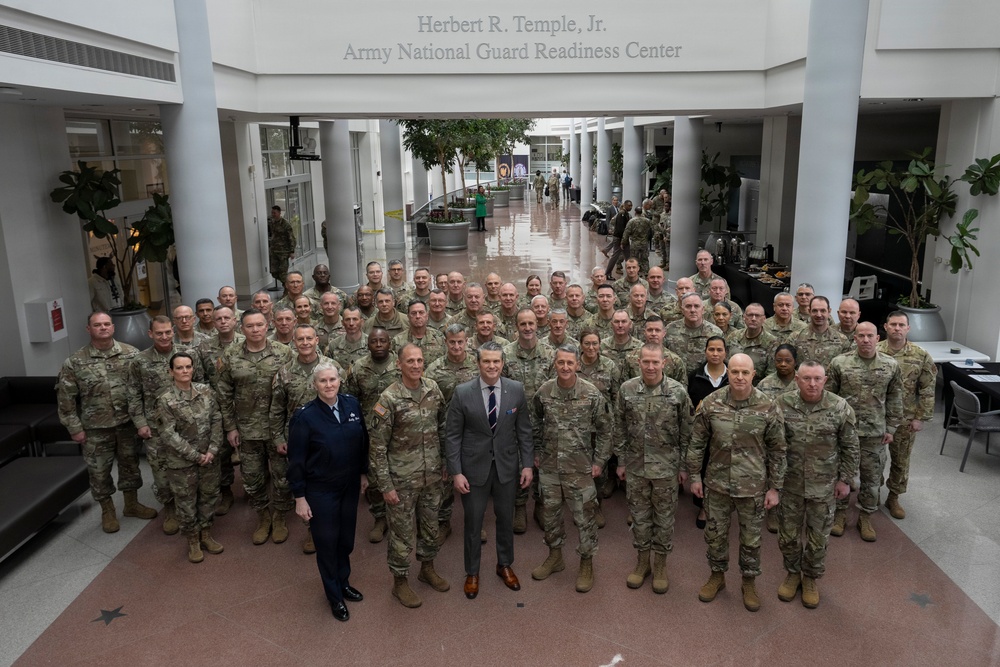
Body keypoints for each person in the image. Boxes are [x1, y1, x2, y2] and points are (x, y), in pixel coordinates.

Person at [687, 354, 786, 612]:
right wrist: (695, 476)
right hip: (717, 485)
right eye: (735, 372)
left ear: (754, 375)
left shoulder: (768, 406)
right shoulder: (711, 403)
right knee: (715, 535)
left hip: (752, 487)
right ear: (727, 373)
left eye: (745, 372)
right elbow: (697, 443)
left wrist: (775, 488)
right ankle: (717, 576)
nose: (739, 377)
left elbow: (778, 450)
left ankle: (749, 581)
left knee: (751, 538)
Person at [445, 341, 534, 600]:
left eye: (496, 361)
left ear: (503, 363)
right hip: (473, 470)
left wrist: (527, 464)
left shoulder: (516, 390)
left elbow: (524, 431)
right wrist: (456, 472)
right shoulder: (462, 393)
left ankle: (504, 565)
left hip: (507, 467)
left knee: (506, 519)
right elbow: (452, 435)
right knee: (473, 522)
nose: (492, 366)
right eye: (487, 361)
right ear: (478, 363)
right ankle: (472, 572)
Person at [57, 312, 157, 532]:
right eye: (97, 325)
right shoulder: (75, 362)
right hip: (95, 428)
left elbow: (143, 388)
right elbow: (66, 399)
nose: (102, 328)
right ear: (88, 329)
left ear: (113, 327)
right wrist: (74, 428)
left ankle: (131, 504)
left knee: (130, 465)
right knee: (99, 471)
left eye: (106, 324)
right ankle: (107, 510)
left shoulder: (131, 354)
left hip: (127, 424)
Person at [369, 344, 449, 608]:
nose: (416, 365)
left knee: (430, 527)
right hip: (401, 480)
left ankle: (427, 568)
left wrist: (446, 462)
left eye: (420, 360)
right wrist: (385, 485)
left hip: (431, 476)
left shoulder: (433, 389)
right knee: (402, 534)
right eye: (410, 361)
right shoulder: (389, 399)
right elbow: (377, 447)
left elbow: (443, 427)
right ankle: (400, 582)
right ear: (398, 365)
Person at [288, 363, 369, 622]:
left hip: (349, 485)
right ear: (315, 385)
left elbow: (363, 441)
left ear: (340, 381)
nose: (328, 385)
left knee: (345, 540)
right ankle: (334, 596)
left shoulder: (352, 405)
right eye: (322, 381)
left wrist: (363, 473)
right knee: (326, 542)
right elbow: (296, 460)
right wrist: (300, 497)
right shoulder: (304, 417)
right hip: (321, 490)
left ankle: (344, 582)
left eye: (332, 379)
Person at [775, 361, 859, 608]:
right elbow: (772, 444)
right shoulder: (782, 404)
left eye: (818, 379)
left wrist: (845, 480)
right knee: (788, 535)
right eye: (807, 378)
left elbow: (851, 446)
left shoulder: (839, 406)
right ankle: (792, 573)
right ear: (797, 380)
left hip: (823, 485)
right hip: (789, 484)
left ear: (825, 380)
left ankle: (810, 577)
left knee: (818, 537)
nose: (812, 384)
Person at [530, 345, 612, 593]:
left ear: (578, 365)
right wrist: (535, 451)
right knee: (551, 515)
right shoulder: (544, 392)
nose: (565, 367)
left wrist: (599, 461)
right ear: (554, 364)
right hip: (550, 467)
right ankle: (555, 556)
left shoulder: (591, 394)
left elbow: (607, 429)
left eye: (570, 363)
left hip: (580, 469)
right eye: (561, 362)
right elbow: (534, 421)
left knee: (585, 518)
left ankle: (586, 563)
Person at [615, 344, 693, 593]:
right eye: (646, 362)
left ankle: (660, 564)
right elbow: (619, 427)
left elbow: (687, 433)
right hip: (636, 467)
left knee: (664, 519)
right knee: (639, 518)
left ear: (664, 363)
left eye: (655, 362)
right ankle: (642, 562)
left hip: (666, 469)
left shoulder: (678, 392)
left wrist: (683, 467)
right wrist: (621, 461)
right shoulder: (627, 390)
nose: (650, 366)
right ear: (639, 362)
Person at [217, 309, 294, 545]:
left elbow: (293, 393)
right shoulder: (229, 356)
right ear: (241, 328)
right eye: (250, 326)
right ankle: (263, 516)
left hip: (277, 429)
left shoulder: (284, 353)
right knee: (252, 477)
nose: (255, 329)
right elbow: (223, 393)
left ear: (267, 325)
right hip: (247, 429)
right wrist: (230, 427)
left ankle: (279, 516)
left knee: (282, 476)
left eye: (260, 325)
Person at [826, 322, 903, 542]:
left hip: (874, 433)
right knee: (841, 474)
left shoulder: (890, 365)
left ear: (878, 338)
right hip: (845, 431)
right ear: (855, 338)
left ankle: (865, 517)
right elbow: (830, 397)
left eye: (870, 336)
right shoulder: (840, 363)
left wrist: (892, 427)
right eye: (861, 336)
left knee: (871, 478)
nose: (866, 340)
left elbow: (896, 397)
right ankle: (839, 514)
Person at [129, 316, 205, 536]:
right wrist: (140, 423)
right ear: (150, 334)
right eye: (158, 333)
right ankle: (170, 509)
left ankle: (196, 508)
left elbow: (201, 384)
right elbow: (133, 394)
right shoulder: (139, 361)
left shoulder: (188, 354)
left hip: (188, 424)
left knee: (192, 468)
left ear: (173, 332)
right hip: (156, 428)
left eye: (167, 332)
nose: (164, 336)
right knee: (162, 472)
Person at [270, 324, 340, 554]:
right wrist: (278, 436)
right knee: (302, 483)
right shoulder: (285, 372)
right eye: (300, 339)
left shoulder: (331, 367)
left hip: (329, 438)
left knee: (328, 483)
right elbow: (277, 408)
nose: (305, 342)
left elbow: (347, 399)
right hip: (300, 438)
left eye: (309, 338)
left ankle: (329, 526)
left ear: (317, 340)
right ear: (294, 341)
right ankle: (311, 529)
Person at [156, 352, 224, 564]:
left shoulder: (205, 391)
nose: (184, 371)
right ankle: (193, 540)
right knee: (186, 502)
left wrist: (213, 449)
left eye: (188, 367)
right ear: (171, 371)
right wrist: (195, 456)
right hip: (182, 462)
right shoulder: (165, 400)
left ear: (193, 368)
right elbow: (168, 434)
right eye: (179, 368)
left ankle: (206, 533)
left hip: (209, 457)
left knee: (209, 496)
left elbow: (216, 418)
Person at [877, 311, 936, 520]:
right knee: (874, 459)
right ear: (885, 327)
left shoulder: (920, 355)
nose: (897, 328)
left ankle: (893, 497)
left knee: (900, 460)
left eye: (901, 325)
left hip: (905, 418)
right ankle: (873, 492)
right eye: (893, 324)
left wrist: (920, 417)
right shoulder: (875, 351)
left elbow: (928, 388)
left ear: (908, 328)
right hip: (876, 417)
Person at [343, 327, 399, 543]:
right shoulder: (358, 368)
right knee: (375, 477)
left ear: (389, 343)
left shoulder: (401, 364)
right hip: (370, 431)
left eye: (382, 341)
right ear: (368, 344)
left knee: (400, 474)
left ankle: (400, 517)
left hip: (399, 429)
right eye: (374, 341)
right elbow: (350, 399)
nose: (378, 345)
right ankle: (380, 518)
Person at [503, 309, 556, 533]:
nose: (527, 328)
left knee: (543, 463)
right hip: (516, 421)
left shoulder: (550, 353)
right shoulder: (506, 354)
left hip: (544, 420)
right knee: (518, 465)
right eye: (523, 323)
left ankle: (541, 506)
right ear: (516, 326)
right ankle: (520, 507)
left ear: (538, 325)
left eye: (531, 323)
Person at [196, 306, 245, 514]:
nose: (223, 321)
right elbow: (199, 379)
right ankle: (226, 492)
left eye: (227, 318)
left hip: (246, 405)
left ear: (235, 320)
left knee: (251, 450)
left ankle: (254, 489)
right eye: (219, 319)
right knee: (222, 451)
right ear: (213, 323)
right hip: (217, 407)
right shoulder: (204, 347)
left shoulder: (246, 342)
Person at [687, 336, 730, 529]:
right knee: (703, 468)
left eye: (719, 350)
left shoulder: (733, 376)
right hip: (702, 433)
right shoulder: (694, 376)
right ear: (705, 351)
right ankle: (703, 506)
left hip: (727, 434)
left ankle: (723, 508)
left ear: (725, 353)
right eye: (711, 349)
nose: (715, 353)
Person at [663, 293, 724, 372]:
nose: (692, 310)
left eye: (696, 306)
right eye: (688, 306)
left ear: (703, 310)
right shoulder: (670, 330)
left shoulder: (716, 333)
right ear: (682, 310)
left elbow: (721, 362)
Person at [789, 296, 850, 368]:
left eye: (823, 311)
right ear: (809, 311)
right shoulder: (795, 338)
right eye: (815, 311)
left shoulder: (842, 340)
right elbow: (789, 367)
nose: (819, 315)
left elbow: (845, 370)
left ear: (829, 311)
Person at [726, 303, 777, 382]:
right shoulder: (733, 336)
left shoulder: (772, 343)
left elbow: (771, 375)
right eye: (750, 315)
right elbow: (725, 363)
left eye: (757, 316)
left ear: (764, 319)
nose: (753, 318)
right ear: (744, 317)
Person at [393, 300, 446, 366]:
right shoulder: (397, 340)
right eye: (414, 313)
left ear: (427, 316)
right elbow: (395, 367)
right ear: (408, 317)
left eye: (421, 312)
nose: (418, 316)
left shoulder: (439, 338)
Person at [621, 200, 655, 277]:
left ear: (635, 212)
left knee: (634, 259)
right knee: (645, 259)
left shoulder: (631, 221)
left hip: (635, 243)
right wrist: (648, 238)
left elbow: (626, 233)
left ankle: (635, 274)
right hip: (644, 243)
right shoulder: (647, 221)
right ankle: (646, 274)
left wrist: (623, 242)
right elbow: (652, 231)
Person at [267, 205, 295, 285]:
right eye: (272, 212)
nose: (273, 214)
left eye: (274, 213)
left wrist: (292, 251)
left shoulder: (285, 224)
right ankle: (287, 284)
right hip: (274, 251)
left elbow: (291, 238)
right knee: (274, 272)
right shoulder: (272, 222)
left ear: (279, 213)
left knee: (283, 273)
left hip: (283, 252)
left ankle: (287, 288)